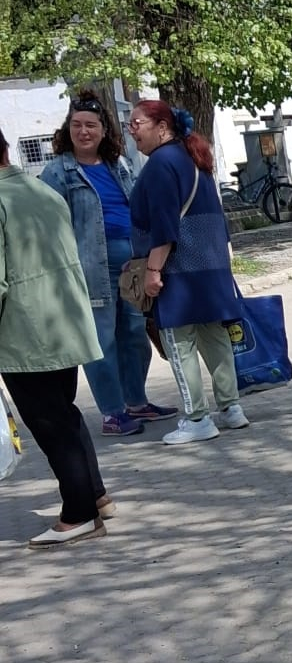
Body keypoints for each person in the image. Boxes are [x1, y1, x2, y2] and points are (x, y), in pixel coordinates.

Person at [0, 126, 114, 548]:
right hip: (63, 321)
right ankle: (96, 496)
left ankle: (79, 513)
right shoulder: (40, 190)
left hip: (25, 332)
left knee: (50, 424)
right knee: (65, 414)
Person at [40, 91, 175, 437]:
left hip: (131, 266)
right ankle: (113, 413)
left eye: (91, 125)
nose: (83, 131)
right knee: (101, 341)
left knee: (133, 336)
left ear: (103, 130)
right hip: (90, 269)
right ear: (67, 129)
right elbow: (49, 226)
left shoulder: (119, 164)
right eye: (76, 125)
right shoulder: (58, 172)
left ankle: (136, 401)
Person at [127, 100, 246, 445]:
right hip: (210, 267)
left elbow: (164, 225)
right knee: (215, 338)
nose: (131, 129)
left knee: (178, 344)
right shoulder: (193, 158)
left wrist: (152, 270)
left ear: (161, 127)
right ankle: (231, 407)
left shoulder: (161, 164)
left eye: (137, 122)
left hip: (179, 271)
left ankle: (197, 418)